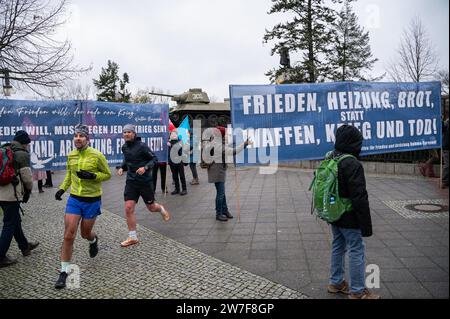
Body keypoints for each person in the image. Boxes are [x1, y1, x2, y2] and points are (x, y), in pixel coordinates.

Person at [53, 124, 111, 289]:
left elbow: (107, 175)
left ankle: (93, 240)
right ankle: (64, 271)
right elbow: (69, 175)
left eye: (81, 136)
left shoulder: (97, 155)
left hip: (92, 200)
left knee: (85, 233)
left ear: (87, 139)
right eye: (76, 135)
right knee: (68, 235)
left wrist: (93, 176)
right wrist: (62, 189)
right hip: (75, 199)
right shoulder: (71, 155)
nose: (78, 138)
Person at [326, 125, 380, 299]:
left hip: (334, 212)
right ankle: (357, 291)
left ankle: (336, 282)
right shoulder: (351, 163)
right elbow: (359, 197)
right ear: (353, 142)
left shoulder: (330, 156)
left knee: (338, 245)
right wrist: (366, 225)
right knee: (356, 249)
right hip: (349, 215)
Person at [116, 124, 171, 247]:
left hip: (145, 182)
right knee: (128, 208)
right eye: (125, 132)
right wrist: (121, 167)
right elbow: (127, 160)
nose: (126, 134)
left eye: (129, 132)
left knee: (151, 208)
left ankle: (160, 208)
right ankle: (132, 237)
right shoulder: (124, 147)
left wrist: (145, 168)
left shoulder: (142, 146)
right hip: (131, 182)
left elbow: (154, 159)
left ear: (134, 134)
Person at [0, 131, 39, 268]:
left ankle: (24, 246)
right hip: (11, 195)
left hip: (1, 194)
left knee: (15, 220)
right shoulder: (22, 154)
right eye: (28, 144)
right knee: (9, 224)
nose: (28, 146)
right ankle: (1, 256)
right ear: (24, 143)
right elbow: (27, 179)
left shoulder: (5, 148)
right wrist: (28, 191)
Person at [206, 126, 250, 222]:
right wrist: (244, 144)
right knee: (220, 193)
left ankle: (224, 210)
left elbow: (226, 148)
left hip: (216, 170)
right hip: (217, 172)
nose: (226, 135)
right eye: (225, 133)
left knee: (221, 192)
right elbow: (232, 151)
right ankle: (219, 213)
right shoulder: (217, 145)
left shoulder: (215, 142)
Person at [168, 130, 188, 195]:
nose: (173, 135)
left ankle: (184, 189)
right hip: (172, 162)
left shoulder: (180, 141)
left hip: (179, 161)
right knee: (175, 176)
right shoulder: (169, 142)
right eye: (172, 134)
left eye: (175, 134)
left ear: (177, 135)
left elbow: (177, 149)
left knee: (182, 175)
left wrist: (171, 145)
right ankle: (177, 189)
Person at [442, 118, 449, 188]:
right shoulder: (446, 122)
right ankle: (444, 181)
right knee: (447, 165)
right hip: (447, 148)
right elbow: (441, 129)